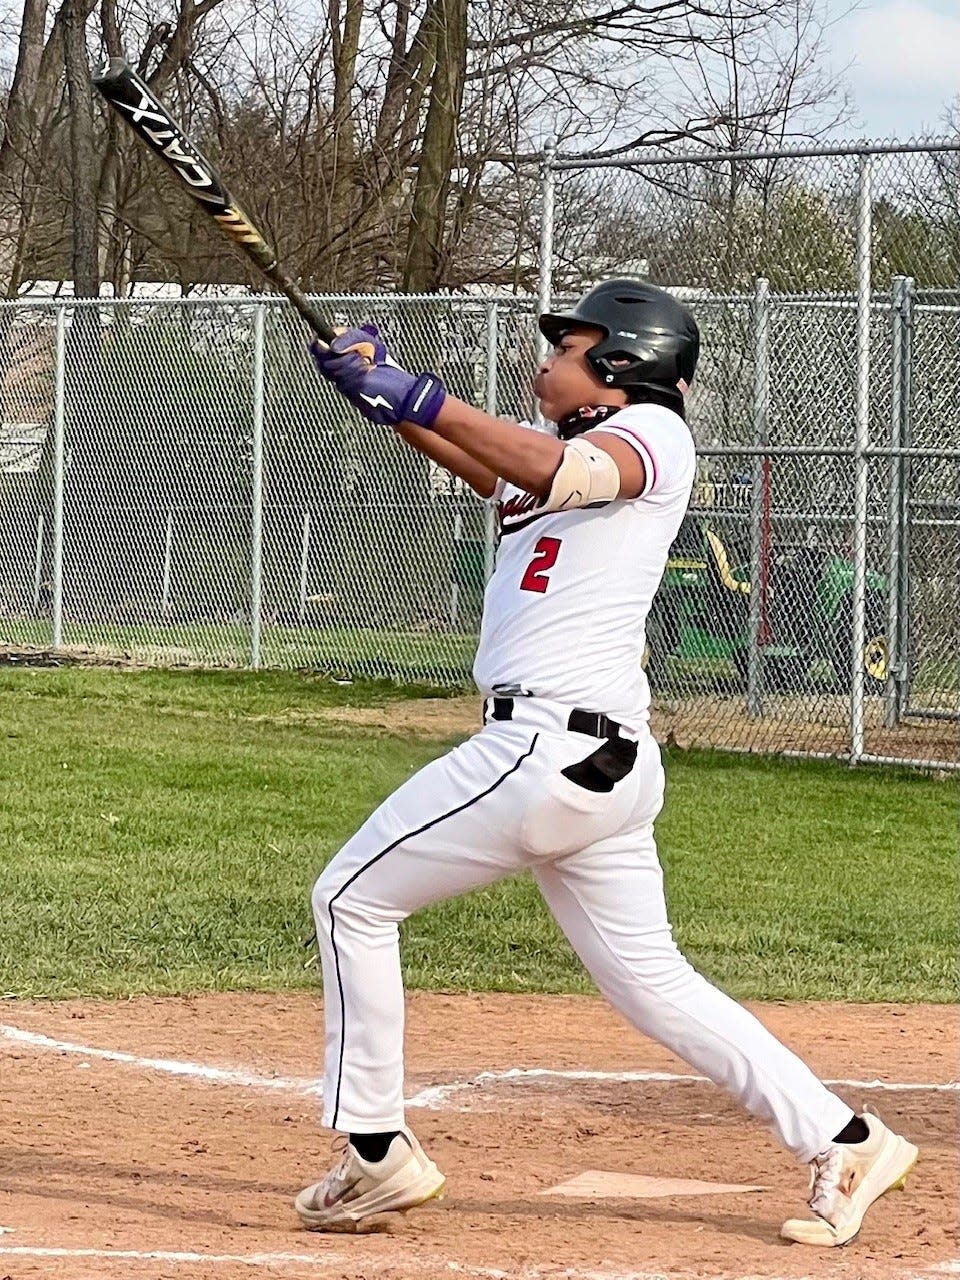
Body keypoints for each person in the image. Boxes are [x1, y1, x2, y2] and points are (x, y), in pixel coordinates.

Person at [294, 279, 917, 1245]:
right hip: (596, 761)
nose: (545, 360)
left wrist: (414, 391)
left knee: (351, 900)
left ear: (621, 364)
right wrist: (377, 393)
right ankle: (845, 1136)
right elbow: (492, 463)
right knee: (654, 982)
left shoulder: (653, 436)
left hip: (545, 749)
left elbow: (550, 468)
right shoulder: (565, 463)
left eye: (568, 347)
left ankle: (376, 1152)